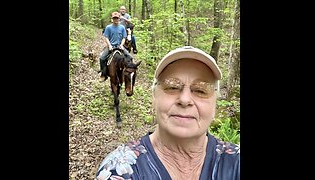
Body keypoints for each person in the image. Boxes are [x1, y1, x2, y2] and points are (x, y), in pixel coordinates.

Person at [94, 46, 240, 180]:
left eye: (201, 90)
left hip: (121, 47)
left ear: (215, 103)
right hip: (111, 47)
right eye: (172, 87)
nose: (184, 99)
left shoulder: (236, 163)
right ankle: (103, 73)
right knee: (103, 57)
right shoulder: (118, 170)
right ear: (154, 97)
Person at [99, 11, 134, 81]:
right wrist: (109, 45)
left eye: (117, 18)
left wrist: (121, 45)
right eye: (114, 18)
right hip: (111, 46)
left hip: (119, 46)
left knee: (130, 57)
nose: (116, 19)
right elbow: (106, 37)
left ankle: (129, 74)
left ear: (119, 19)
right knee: (102, 58)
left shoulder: (122, 27)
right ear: (112, 19)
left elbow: (124, 37)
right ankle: (103, 74)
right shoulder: (108, 27)